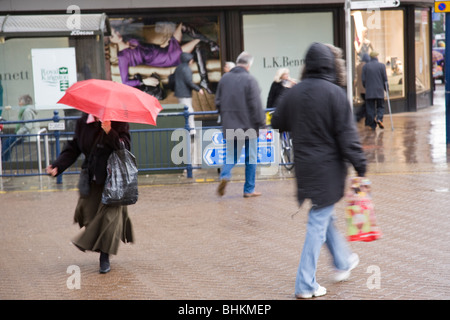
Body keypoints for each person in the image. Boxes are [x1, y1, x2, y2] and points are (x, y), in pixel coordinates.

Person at [271, 42, 367, 299]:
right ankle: (305, 284)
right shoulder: (335, 94)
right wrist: (361, 165)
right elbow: (347, 136)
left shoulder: (295, 92)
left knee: (324, 217)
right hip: (329, 170)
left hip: (305, 168)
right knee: (318, 221)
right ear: (332, 65)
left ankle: (343, 261)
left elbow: (276, 122)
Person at [46, 113, 134, 274]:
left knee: (109, 219)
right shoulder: (83, 122)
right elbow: (74, 147)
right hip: (92, 177)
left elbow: (125, 147)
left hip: (114, 179)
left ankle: (104, 256)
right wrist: (58, 165)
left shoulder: (119, 121)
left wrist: (110, 131)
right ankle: (101, 246)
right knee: (89, 215)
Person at [215, 51, 266, 198]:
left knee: (231, 156)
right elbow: (256, 105)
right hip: (249, 126)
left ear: (237, 62)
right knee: (251, 158)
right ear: (249, 65)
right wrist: (262, 124)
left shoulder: (225, 79)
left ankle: (225, 175)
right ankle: (249, 189)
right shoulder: (250, 80)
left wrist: (226, 117)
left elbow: (217, 102)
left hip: (230, 125)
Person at [174, 52, 204, 135]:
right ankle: (192, 130)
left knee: (185, 111)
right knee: (189, 111)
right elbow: (189, 82)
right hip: (185, 93)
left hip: (180, 93)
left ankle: (187, 128)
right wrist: (199, 89)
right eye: (191, 59)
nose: (192, 61)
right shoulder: (186, 69)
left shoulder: (178, 68)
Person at [1, 94, 38, 162]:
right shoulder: (26, 110)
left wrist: (17, 133)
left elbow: (28, 126)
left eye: (20, 101)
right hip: (25, 134)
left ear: (23, 103)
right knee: (7, 142)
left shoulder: (27, 111)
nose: (18, 103)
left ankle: (4, 162)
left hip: (26, 135)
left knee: (7, 142)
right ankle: (4, 161)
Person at [362, 51, 388, 130]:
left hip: (369, 92)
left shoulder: (365, 66)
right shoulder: (382, 66)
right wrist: (386, 89)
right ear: (376, 57)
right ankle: (379, 119)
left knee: (370, 108)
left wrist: (366, 86)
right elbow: (385, 79)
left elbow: (363, 80)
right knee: (380, 106)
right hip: (379, 91)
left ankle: (373, 124)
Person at [354, 53, 370, 123]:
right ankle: (358, 116)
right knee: (367, 104)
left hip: (360, 89)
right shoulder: (366, 66)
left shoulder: (358, 66)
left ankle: (360, 116)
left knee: (366, 104)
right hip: (366, 89)